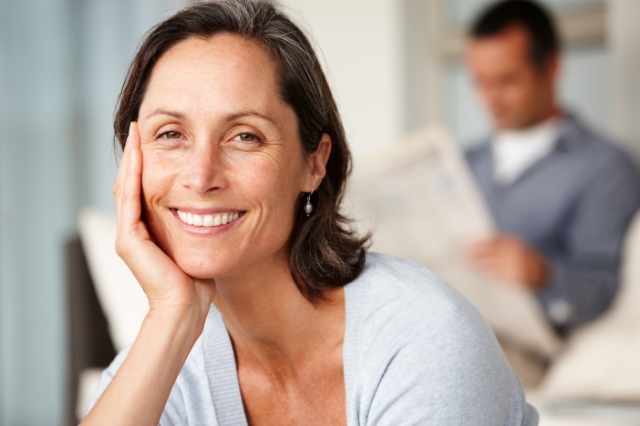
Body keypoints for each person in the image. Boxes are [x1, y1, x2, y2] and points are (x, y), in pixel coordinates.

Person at [83, 1, 538, 424]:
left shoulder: (425, 338)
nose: (201, 177)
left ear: (314, 163)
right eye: (170, 134)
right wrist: (171, 316)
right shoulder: (161, 361)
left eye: (245, 137)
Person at [465, 0, 640, 337]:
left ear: (552, 68)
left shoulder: (605, 168)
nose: (491, 98)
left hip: (532, 348)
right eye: (480, 82)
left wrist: (543, 274)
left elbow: (604, 288)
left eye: (507, 80)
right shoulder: (466, 161)